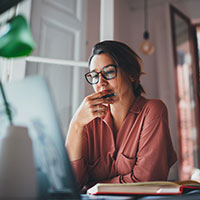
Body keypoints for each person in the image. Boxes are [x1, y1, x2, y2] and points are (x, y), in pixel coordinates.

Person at [65, 40, 177, 191]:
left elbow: (146, 181)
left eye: (109, 72)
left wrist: (92, 186)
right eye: (94, 76)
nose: (101, 83)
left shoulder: (153, 111)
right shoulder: (87, 121)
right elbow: (70, 184)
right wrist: (76, 124)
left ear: (131, 74)